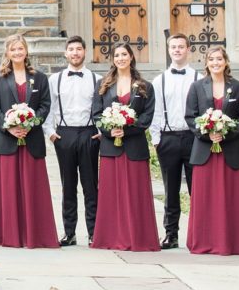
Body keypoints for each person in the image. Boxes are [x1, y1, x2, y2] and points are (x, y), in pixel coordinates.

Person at [0, 33, 59, 248]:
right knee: (8, 190)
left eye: (21, 49)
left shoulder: (40, 77)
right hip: (6, 142)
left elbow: (45, 105)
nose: (18, 53)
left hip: (32, 140)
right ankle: (9, 235)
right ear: (7, 52)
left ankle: (35, 235)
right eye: (13, 49)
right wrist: (10, 126)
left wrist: (30, 124)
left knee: (32, 189)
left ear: (26, 51)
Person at [185, 45, 239, 255]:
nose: (215, 63)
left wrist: (225, 133)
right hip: (204, 152)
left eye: (219, 59)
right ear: (206, 63)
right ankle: (204, 242)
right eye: (211, 59)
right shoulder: (197, 87)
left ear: (226, 62)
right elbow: (190, 116)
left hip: (230, 151)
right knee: (205, 199)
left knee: (232, 199)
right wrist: (208, 134)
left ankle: (237, 243)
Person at [91, 42, 159, 252]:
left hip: (135, 147)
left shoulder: (144, 86)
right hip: (111, 149)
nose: (120, 58)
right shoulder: (103, 84)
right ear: (112, 59)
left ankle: (139, 238)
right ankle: (110, 238)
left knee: (135, 194)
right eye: (117, 55)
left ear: (131, 57)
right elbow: (96, 114)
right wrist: (110, 131)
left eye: (124, 54)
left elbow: (147, 116)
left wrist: (127, 130)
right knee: (112, 195)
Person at [45, 35, 101, 246]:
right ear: (65, 53)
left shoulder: (96, 79)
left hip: (89, 133)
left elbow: (102, 107)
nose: (75, 53)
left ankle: (94, 232)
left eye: (79, 49)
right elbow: (48, 108)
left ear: (84, 52)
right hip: (64, 134)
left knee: (90, 185)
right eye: (71, 49)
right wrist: (50, 132)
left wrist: (101, 132)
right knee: (68, 185)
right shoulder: (55, 79)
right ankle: (69, 232)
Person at [150, 33, 199, 249]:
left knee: (196, 188)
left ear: (188, 49)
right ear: (169, 50)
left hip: (193, 138)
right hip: (168, 138)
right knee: (171, 189)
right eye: (173, 47)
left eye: (181, 46)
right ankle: (171, 234)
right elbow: (156, 111)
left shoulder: (198, 78)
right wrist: (156, 138)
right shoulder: (159, 80)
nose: (177, 50)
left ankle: (198, 234)